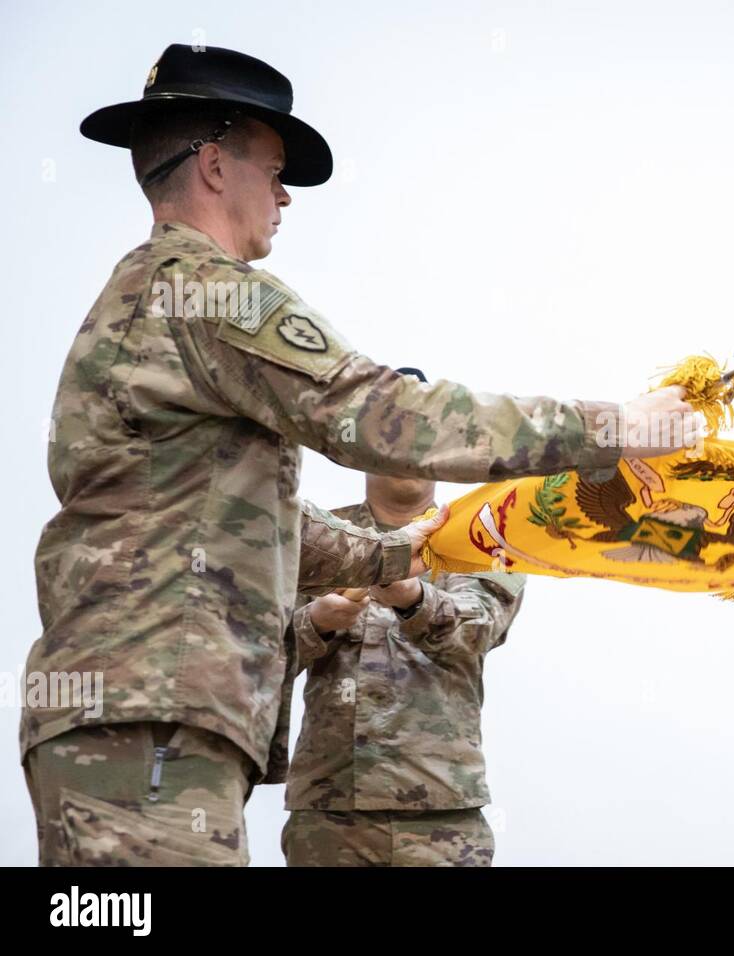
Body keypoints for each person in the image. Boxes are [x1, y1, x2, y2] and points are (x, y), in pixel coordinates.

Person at [23, 44, 693, 866]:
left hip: (146, 710)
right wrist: (612, 427)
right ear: (211, 165)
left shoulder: (152, 297)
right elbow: (380, 414)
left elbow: (263, 529)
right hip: (150, 713)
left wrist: (404, 555)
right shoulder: (207, 289)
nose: (284, 196)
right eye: (274, 170)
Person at [283, 376, 520, 866]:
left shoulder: (481, 539)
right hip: (330, 813)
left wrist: (412, 597)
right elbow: (254, 653)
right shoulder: (315, 540)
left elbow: (479, 630)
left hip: (441, 812)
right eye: (391, 434)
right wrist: (316, 623)